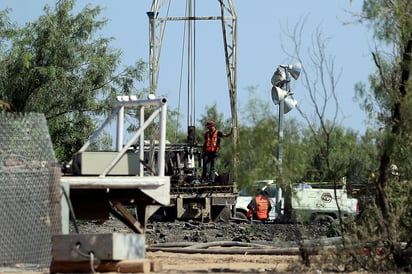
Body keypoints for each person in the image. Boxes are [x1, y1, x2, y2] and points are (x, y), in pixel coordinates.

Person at [201, 119, 232, 184]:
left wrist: (231, 133)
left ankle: (211, 180)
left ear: (212, 126)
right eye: (208, 127)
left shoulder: (218, 133)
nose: (208, 128)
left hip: (214, 153)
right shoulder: (207, 134)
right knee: (205, 166)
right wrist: (202, 152)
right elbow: (205, 143)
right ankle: (203, 179)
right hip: (207, 153)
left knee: (213, 167)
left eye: (209, 127)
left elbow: (225, 135)